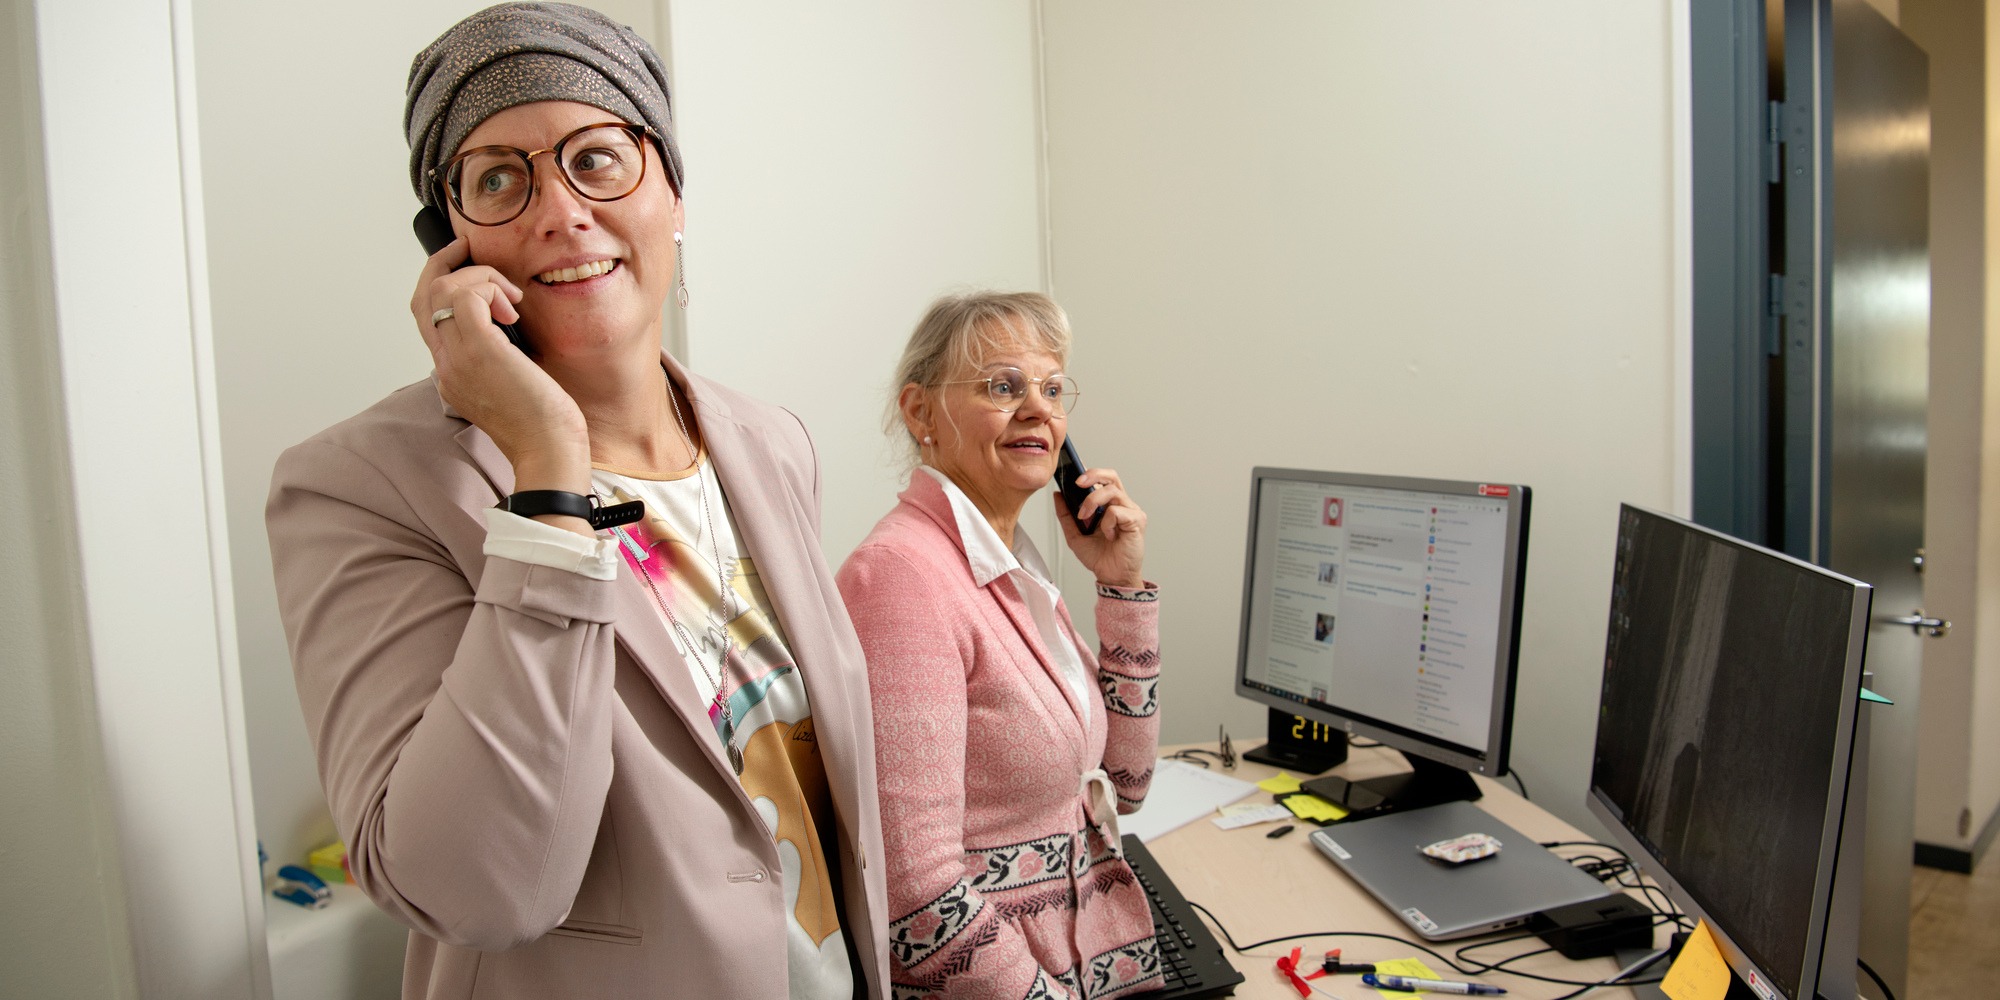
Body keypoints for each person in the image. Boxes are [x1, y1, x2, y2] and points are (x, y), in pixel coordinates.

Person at [264, 6, 886, 997]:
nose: (560, 211)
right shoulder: (359, 486)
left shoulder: (770, 443)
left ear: (672, 193)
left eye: (597, 158)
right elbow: (474, 887)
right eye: (500, 178)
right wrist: (546, 471)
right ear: (450, 241)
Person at [836, 292, 1164, 999]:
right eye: (1003, 386)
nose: (1040, 410)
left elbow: (1125, 786)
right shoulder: (901, 578)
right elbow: (915, 891)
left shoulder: (1009, 565)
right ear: (921, 413)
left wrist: (1122, 587)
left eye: (1051, 389)